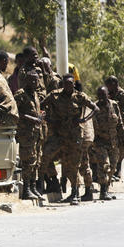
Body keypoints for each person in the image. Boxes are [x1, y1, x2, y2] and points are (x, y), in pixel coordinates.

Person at [40, 74, 99, 205]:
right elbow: (41, 106)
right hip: (59, 135)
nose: (68, 86)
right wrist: (48, 119)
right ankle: (40, 184)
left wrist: (84, 119)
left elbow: (95, 108)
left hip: (75, 135)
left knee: (74, 164)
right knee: (47, 156)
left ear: (73, 84)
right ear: (62, 84)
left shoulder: (79, 97)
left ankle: (75, 192)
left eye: (71, 84)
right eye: (66, 84)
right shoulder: (54, 95)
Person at [14, 71, 46, 200]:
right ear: (26, 80)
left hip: (36, 134)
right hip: (26, 134)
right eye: (31, 80)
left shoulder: (35, 94)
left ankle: (33, 187)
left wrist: (40, 115)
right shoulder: (21, 94)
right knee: (28, 161)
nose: (34, 83)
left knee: (36, 161)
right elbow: (15, 112)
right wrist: (31, 119)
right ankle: (26, 189)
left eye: (36, 80)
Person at [91, 86, 124, 200]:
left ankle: (106, 190)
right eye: (99, 95)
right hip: (100, 142)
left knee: (112, 167)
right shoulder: (94, 107)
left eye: (103, 95)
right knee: (104, 165)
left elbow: (120, 123)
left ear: (108, 95)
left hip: (113, 142)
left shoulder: (114, 105)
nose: (101, 97)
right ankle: (102, 192)